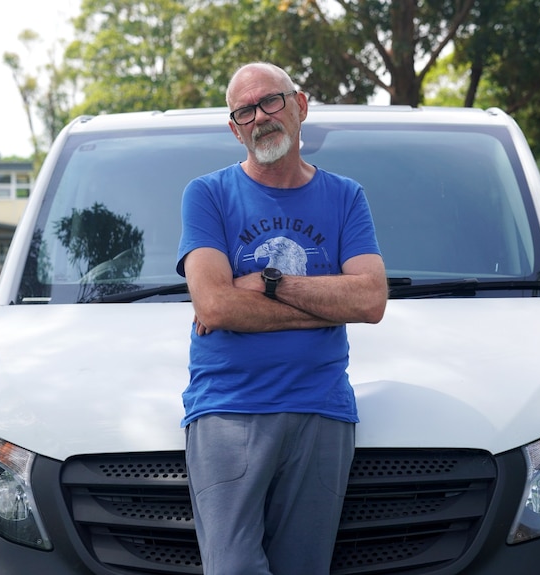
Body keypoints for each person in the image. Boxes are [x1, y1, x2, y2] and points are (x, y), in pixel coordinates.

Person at [176, 62, 387, 575]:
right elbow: (214, 306)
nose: (260, 117)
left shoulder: (345, 196)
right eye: (245, 110)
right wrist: (325, 303)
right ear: (234, 127)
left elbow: (370, 301)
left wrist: (268, 282)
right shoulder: (206, 194)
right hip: (228, 405)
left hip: (322, 408)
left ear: (300, 105)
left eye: (271, 101)